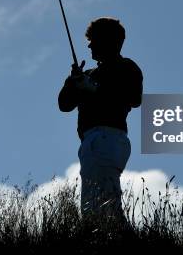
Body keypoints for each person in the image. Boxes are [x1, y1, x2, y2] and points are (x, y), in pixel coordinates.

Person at [58, 17, 143, 225]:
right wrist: (72, 82)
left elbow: (134, 99)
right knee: (94, 208)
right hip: (95, 141)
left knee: (104, 208)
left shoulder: (126, 67)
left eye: (94, 39)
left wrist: (94, 88)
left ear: (109, 41)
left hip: (107, 138)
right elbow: (64, 105)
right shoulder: (88, 74)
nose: (89, 44)